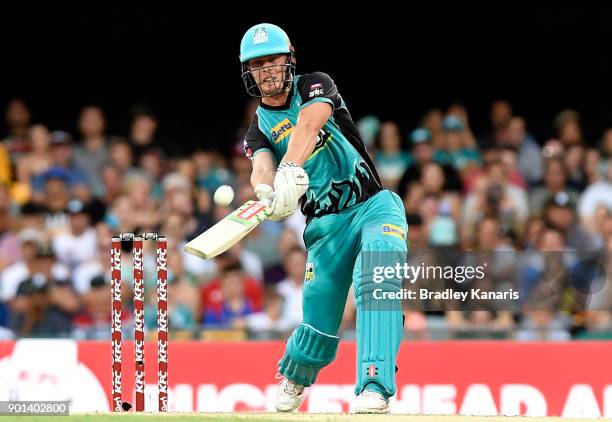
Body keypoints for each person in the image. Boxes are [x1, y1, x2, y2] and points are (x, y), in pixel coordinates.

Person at [240, 23, 407, 413]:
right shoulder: (257, 129)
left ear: (289, 59)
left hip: (372, 206)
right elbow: (261, 168)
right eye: (256, 64)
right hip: (325, 228)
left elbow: (308, 125)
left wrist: (290, 169)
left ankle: (374, 385)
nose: (266, 70)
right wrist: (266, 193)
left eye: (272, 61)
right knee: (318, 320)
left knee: (378, 279)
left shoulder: (315, 85)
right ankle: (297, 377)